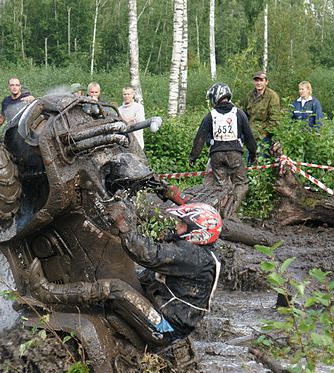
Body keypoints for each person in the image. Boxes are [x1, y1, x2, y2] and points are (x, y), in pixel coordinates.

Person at [27, 201, 222, 344]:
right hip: (167, 315)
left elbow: (148, 254)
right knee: (132, 276)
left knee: (116, 288)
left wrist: (122, 225)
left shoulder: (194, 256)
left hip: (166, 328)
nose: (177, 227)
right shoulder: (203, 255)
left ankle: (47, 293)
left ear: (199, 232)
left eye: (183, 225)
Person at [189, 83, 258, 219]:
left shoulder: (211, 115)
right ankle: (230, 213)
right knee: (241, 184)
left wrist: (193, 156)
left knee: (221, 187)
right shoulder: (238, 113)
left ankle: (220, 215)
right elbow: (249, 136)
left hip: (216, 155)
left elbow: (200, 138)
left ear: (215, 97)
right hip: (235, 154)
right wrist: (253, 153)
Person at [241, 71, 282, 151]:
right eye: (256, 80)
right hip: (250, 134)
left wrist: (264, 134)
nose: (258, 83)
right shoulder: (249, 95)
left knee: (261, 158)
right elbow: (245, 114)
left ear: (266, 82)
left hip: (265, 136)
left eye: (261, 80)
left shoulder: (272, 96)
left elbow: (274, 119)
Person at [119, 86, 146, 150]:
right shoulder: (119, 109)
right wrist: (131, 119)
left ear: (132, 95)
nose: (126, 96)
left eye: (128, 94)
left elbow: (140, 121)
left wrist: (125, 120)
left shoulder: (139, 107)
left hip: (137, 143)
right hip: (123, 143)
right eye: (125, 94)